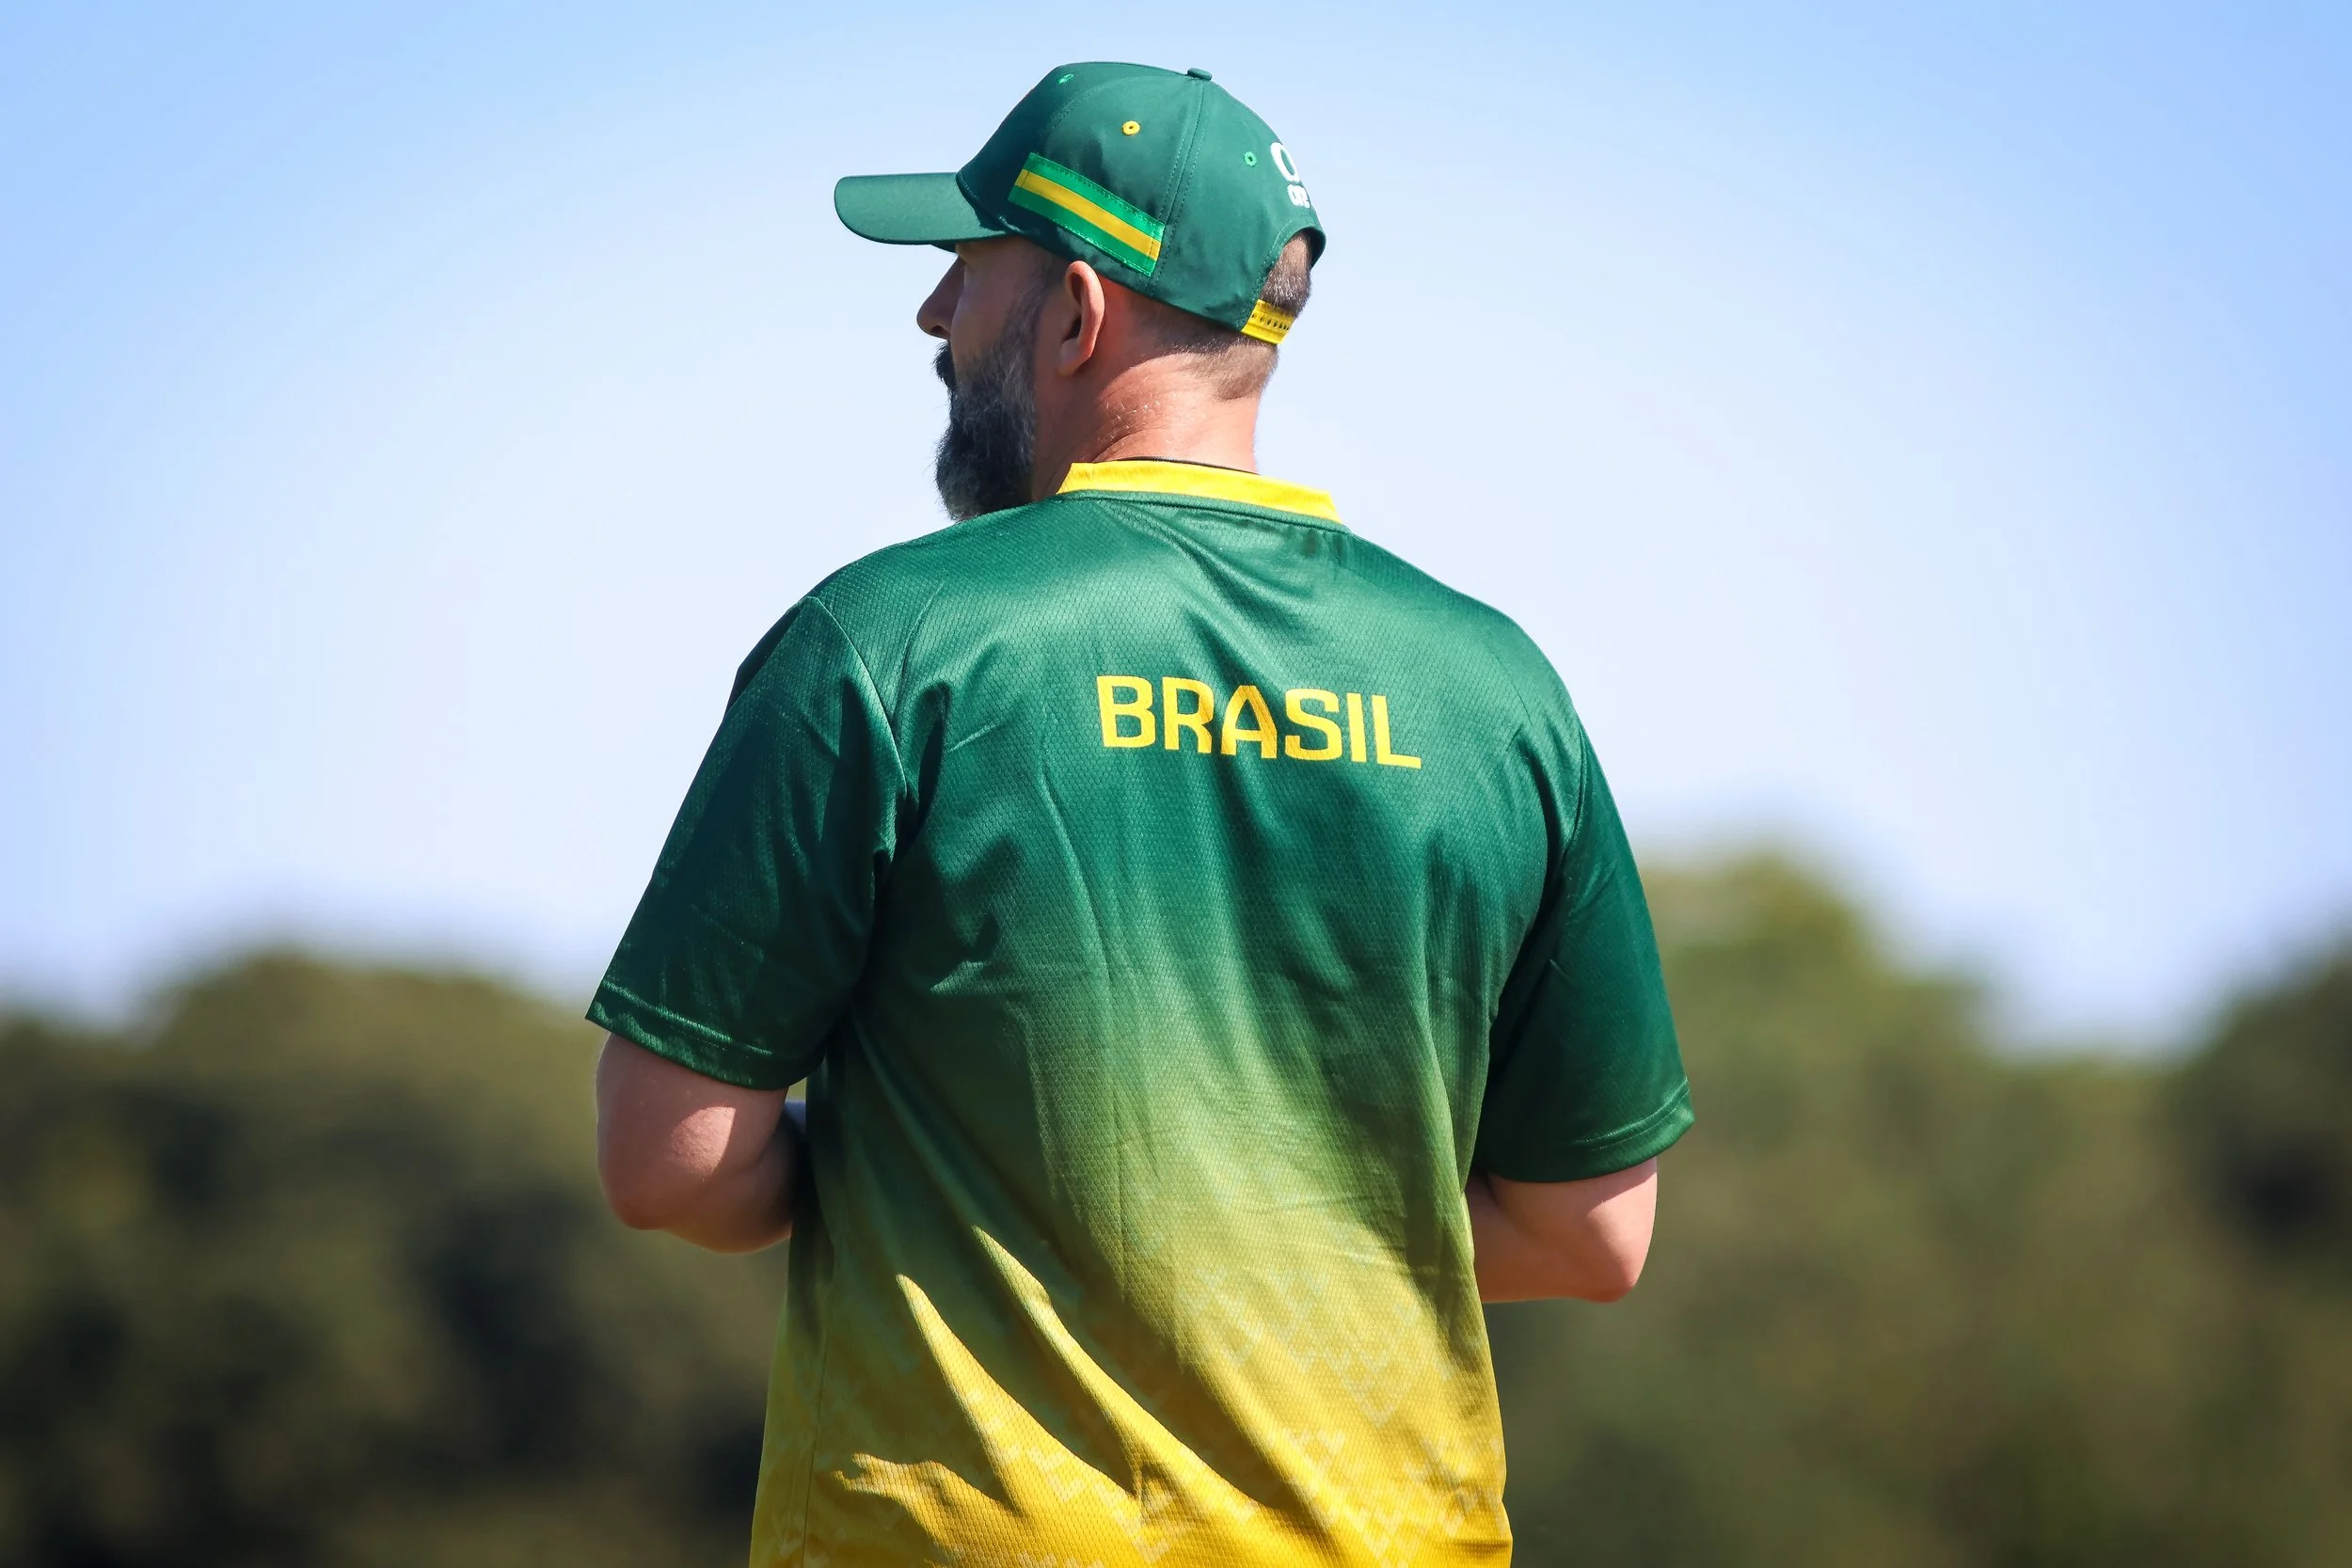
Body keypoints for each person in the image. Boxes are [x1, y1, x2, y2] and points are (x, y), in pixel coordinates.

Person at [590, 60, 1692, 1567]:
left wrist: (954, 1192)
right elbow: (1591, 1233)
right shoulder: (1497, 689)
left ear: (1076, 314)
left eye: (965, 273)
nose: (932, 319)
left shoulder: (890, 640)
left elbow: (672, 1160)